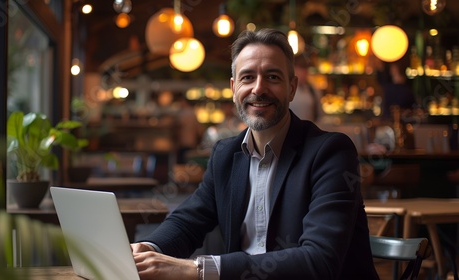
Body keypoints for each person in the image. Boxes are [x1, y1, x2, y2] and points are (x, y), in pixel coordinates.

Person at [132, 28, 379, 279]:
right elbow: (188, 221)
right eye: (247, 77)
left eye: (272, 77)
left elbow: (319, 261)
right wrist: (147, 249)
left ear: (291, 88)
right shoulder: (225, 155)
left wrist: (198, 269)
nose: (258, 89)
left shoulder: (331, 153)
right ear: (233, 87)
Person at [288, 54, 324, 123]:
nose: (303, 73)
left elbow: (320, 115)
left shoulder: (313, 90)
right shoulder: (286, 90)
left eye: (305, 70)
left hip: (309, 131)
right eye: (300, 70)